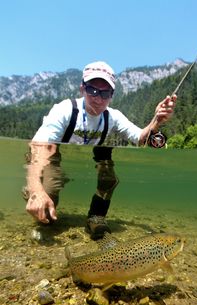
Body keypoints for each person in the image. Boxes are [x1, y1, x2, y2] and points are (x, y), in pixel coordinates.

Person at [24, 61, 177, 239]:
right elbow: (38, 147)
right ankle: (33, 191)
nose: (98, 98)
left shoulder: (113, 117)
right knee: (46, 214)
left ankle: (96, 219)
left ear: (112, 95)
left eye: (105, 93)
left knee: (109, 178)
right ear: (82, 89)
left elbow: (140, 138)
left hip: (89, 156)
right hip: (52, 156)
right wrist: (36, 190)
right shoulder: (64, 110)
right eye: (92, 90)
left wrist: (157, 121)